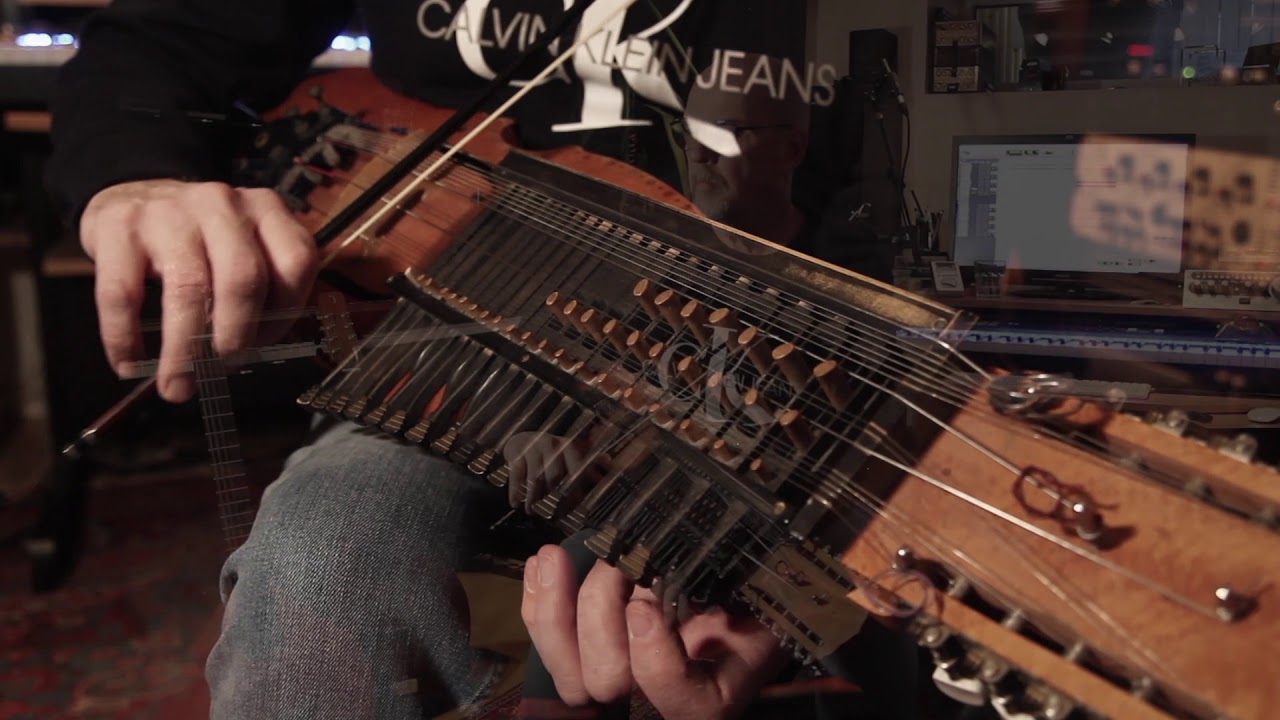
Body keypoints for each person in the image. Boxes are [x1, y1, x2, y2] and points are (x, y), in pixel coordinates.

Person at [45, 2, 905, 719]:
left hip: (773, 361)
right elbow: (156, 41)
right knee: (321, 562)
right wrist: (136, 178)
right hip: (454, 323)